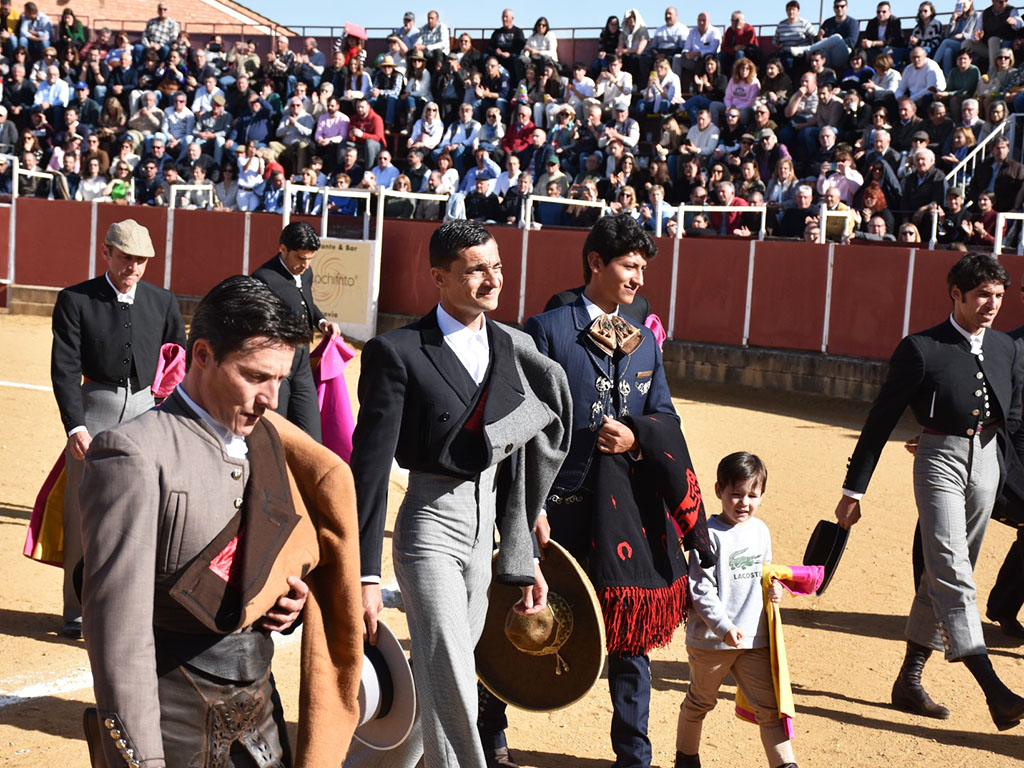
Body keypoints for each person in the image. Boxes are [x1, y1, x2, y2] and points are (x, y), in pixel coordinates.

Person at [79, 274, 363, 768]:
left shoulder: (274, 442)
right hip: (169, 709)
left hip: (260, 706)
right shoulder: (133, 453)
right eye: (255, 377)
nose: (271, 398)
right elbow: (117, 632)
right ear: (203, 355)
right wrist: (142, 760)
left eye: (281, 378)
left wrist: (284, 600)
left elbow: (280, 552)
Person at [350, 219, 570, 768]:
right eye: (475, 269)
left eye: (495, 266)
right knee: (450, 667)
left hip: (483, 535)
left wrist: (525, 553)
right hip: (429, 524)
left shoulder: (514, 347)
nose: (491, 279)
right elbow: (369, 468)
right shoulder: (397, 351)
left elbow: (521, 464)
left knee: (437, 677)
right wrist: (365, 572)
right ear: (439, 278)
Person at [519, 214, 699, 768]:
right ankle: (491, 733)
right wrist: (531, 507)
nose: (638, 278)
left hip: (626, 511)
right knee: (524, 618)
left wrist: (638, 437)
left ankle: (634, 756)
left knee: (629, 636)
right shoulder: (548, 329)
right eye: (628, 265)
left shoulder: (644, 340)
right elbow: (525, 425)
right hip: (563, 506)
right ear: (596, 262)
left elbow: (664, 414)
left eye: (643, 268)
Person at [835, 253, 1024, 730]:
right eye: (982, 294)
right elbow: (879, 421)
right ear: (955, 294)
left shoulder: (1006, 348)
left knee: (941, 573)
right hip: (937, 458)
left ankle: (909, 680)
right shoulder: (921, 347)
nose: (992, 305)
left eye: (998, 296)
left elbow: (1014, 418)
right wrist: (853, 490)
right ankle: (992, 686)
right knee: (952, 568)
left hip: (987, 459)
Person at [50, 220, 186, 638]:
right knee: (83, 513)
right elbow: (65, 369)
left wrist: (169, 411)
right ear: (107, 252)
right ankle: (77, 610)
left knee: (149, 511)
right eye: (126, 257)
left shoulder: (163, 302)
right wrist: (75, 425)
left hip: (148, 411)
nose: (133, 267)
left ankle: (139, 606)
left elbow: (176, 359)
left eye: (141, 260)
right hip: (97, 410)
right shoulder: (76, 300)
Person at [676, 452, 798, 768]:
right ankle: (686, 759)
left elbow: (765, 573)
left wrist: (775, 590)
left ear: (761, 495)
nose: (743, 502)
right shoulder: (707, 534)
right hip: (711, 642)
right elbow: (701, 589)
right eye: (736, 494)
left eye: (752, 495)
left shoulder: (761, 531)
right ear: (719, 491)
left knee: (769, 709)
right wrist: (724, 627)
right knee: (699, 702)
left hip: (754, 640)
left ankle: (786, 764)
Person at [252, 222, 340, 443]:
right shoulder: (263, 279)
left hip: (301, 363)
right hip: (275, 365)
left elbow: (306, 302)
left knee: (311, 436)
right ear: (283, 250)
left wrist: (321, 321)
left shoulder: (305, 273)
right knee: (274, 431)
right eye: (301, 258)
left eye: (310, 259)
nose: (306, 264)